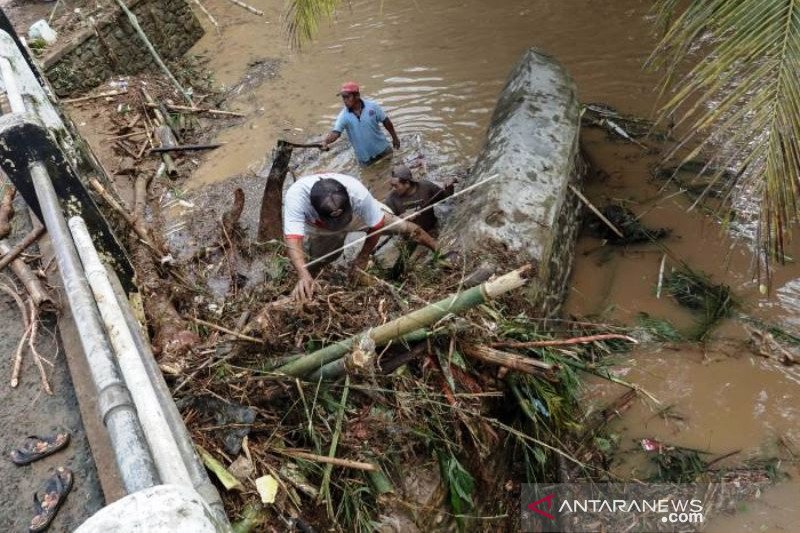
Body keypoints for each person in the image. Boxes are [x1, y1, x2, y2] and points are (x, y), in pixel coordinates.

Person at [283, 172, 439, 301]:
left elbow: (376, 225)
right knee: (318, 262)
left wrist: (363, 256)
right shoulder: (296, 198)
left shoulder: (357, 193)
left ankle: (439, 250)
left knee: (405, 228)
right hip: (321, 227)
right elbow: (293, 239)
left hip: (355, 216)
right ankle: (311, 287)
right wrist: (302, 274)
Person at [320, 82, 401, 166]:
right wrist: (326, 141)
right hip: (365, 159)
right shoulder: (343, 116)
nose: (345, 100)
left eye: (347, 97)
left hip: (383, 150)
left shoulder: (372, 107)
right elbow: (336, 133)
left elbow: (386, 121)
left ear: (357, 96)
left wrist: (395, 138)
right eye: (343, 97)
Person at [384, 164, 455, 233]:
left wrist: (450, 186)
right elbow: (386, 225)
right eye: (392, 185)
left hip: (433, 227)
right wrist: (402, 218)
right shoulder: (391, 200)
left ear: (407, 183)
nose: (393, 189)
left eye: (396, 186)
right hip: (411, 236)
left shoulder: (426, 187)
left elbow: (445, 199)